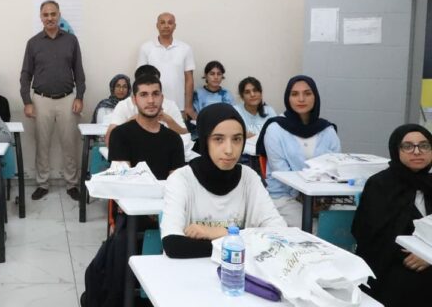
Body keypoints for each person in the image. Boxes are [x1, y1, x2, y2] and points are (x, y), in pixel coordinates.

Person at [160, 104, 286, 258]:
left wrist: (219, 232)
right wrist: (239, 243)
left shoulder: (249, 178)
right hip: (188, 273)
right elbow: (174, 245)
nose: (229, 150)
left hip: (237, 274)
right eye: (218, 139)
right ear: (205, 141)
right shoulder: (181, 179)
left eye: (237, 139)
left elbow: (280, 234)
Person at [352, 124, 432, 307]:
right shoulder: (380, 185)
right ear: (396, 150)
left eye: (424, 145)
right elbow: (370, 236)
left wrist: (429, 256)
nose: (417, 151)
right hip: (392, 262)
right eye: (408, 146)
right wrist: (418, 254)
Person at [20, 0, 85, 201]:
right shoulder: (33, 43)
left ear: (59, 15)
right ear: (41, 17)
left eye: (53, 14)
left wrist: (80, 96)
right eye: (46, 15)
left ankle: (72, 184)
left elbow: (79, 73)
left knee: (69, 144)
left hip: (67, 100)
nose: (50, 18)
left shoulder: (71, 41)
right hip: (41, 100)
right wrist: (27, 101)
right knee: (42, 144)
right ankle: (42, 184)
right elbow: (25, 74)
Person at [256, 75, 340, 228]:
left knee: (345, 224)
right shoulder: (275, 128)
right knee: (317, 230)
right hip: (285, 197)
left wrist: (323, 199)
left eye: (307, 93)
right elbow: (282, 175)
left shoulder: (327, 130)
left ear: (315, 97)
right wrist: (308, 199)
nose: (301, 99)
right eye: (294, 94)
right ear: (288, 98)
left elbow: (334, 168)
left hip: (322, 198)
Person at [107, 75, 185, 181]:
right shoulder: (120, 134)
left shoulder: (174, 139)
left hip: (165, 196)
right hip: (130, 196)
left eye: (156, 94)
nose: (151, 100)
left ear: (162, 98)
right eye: (144, 95)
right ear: (134, 100)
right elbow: (122, 182)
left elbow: (176, 184)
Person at [104, 65, 188, 146]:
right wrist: (135, 119)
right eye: (144, 94)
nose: (150, 100)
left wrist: (168, 119)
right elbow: (109, 139)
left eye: (153, 82)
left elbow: (185, 134)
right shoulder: (124, 105)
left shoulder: (170, 105)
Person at [137, 12, 197, 121]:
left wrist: (188, 106)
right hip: (152, 106)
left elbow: (189, 80)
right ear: (157, 25)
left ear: (174, 26)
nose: (166, 26)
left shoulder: (185, 48)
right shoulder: (146, 48)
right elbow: (140, 79)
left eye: (170, 23)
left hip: (178, 106)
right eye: (162, 22)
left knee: (178, 136)